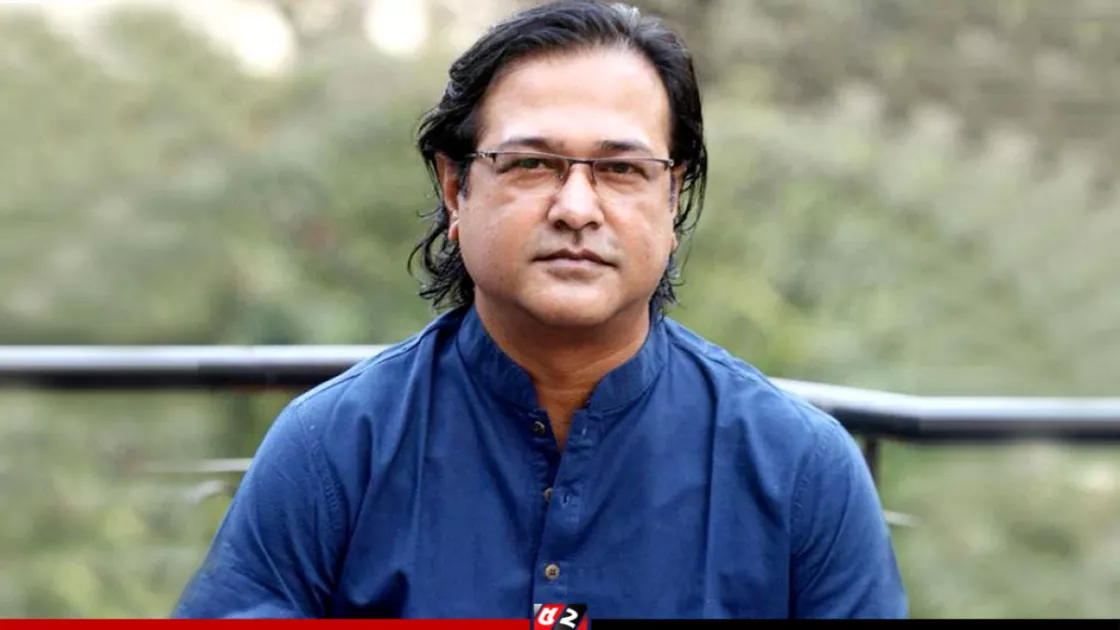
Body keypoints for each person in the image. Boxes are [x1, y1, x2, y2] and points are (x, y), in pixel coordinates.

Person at [172, 0, 908, 620]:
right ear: (455, 189)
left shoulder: (800, 469)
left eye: (622, 168)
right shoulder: (335, 449)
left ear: (672, 196)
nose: (577, 208)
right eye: (530, 163)